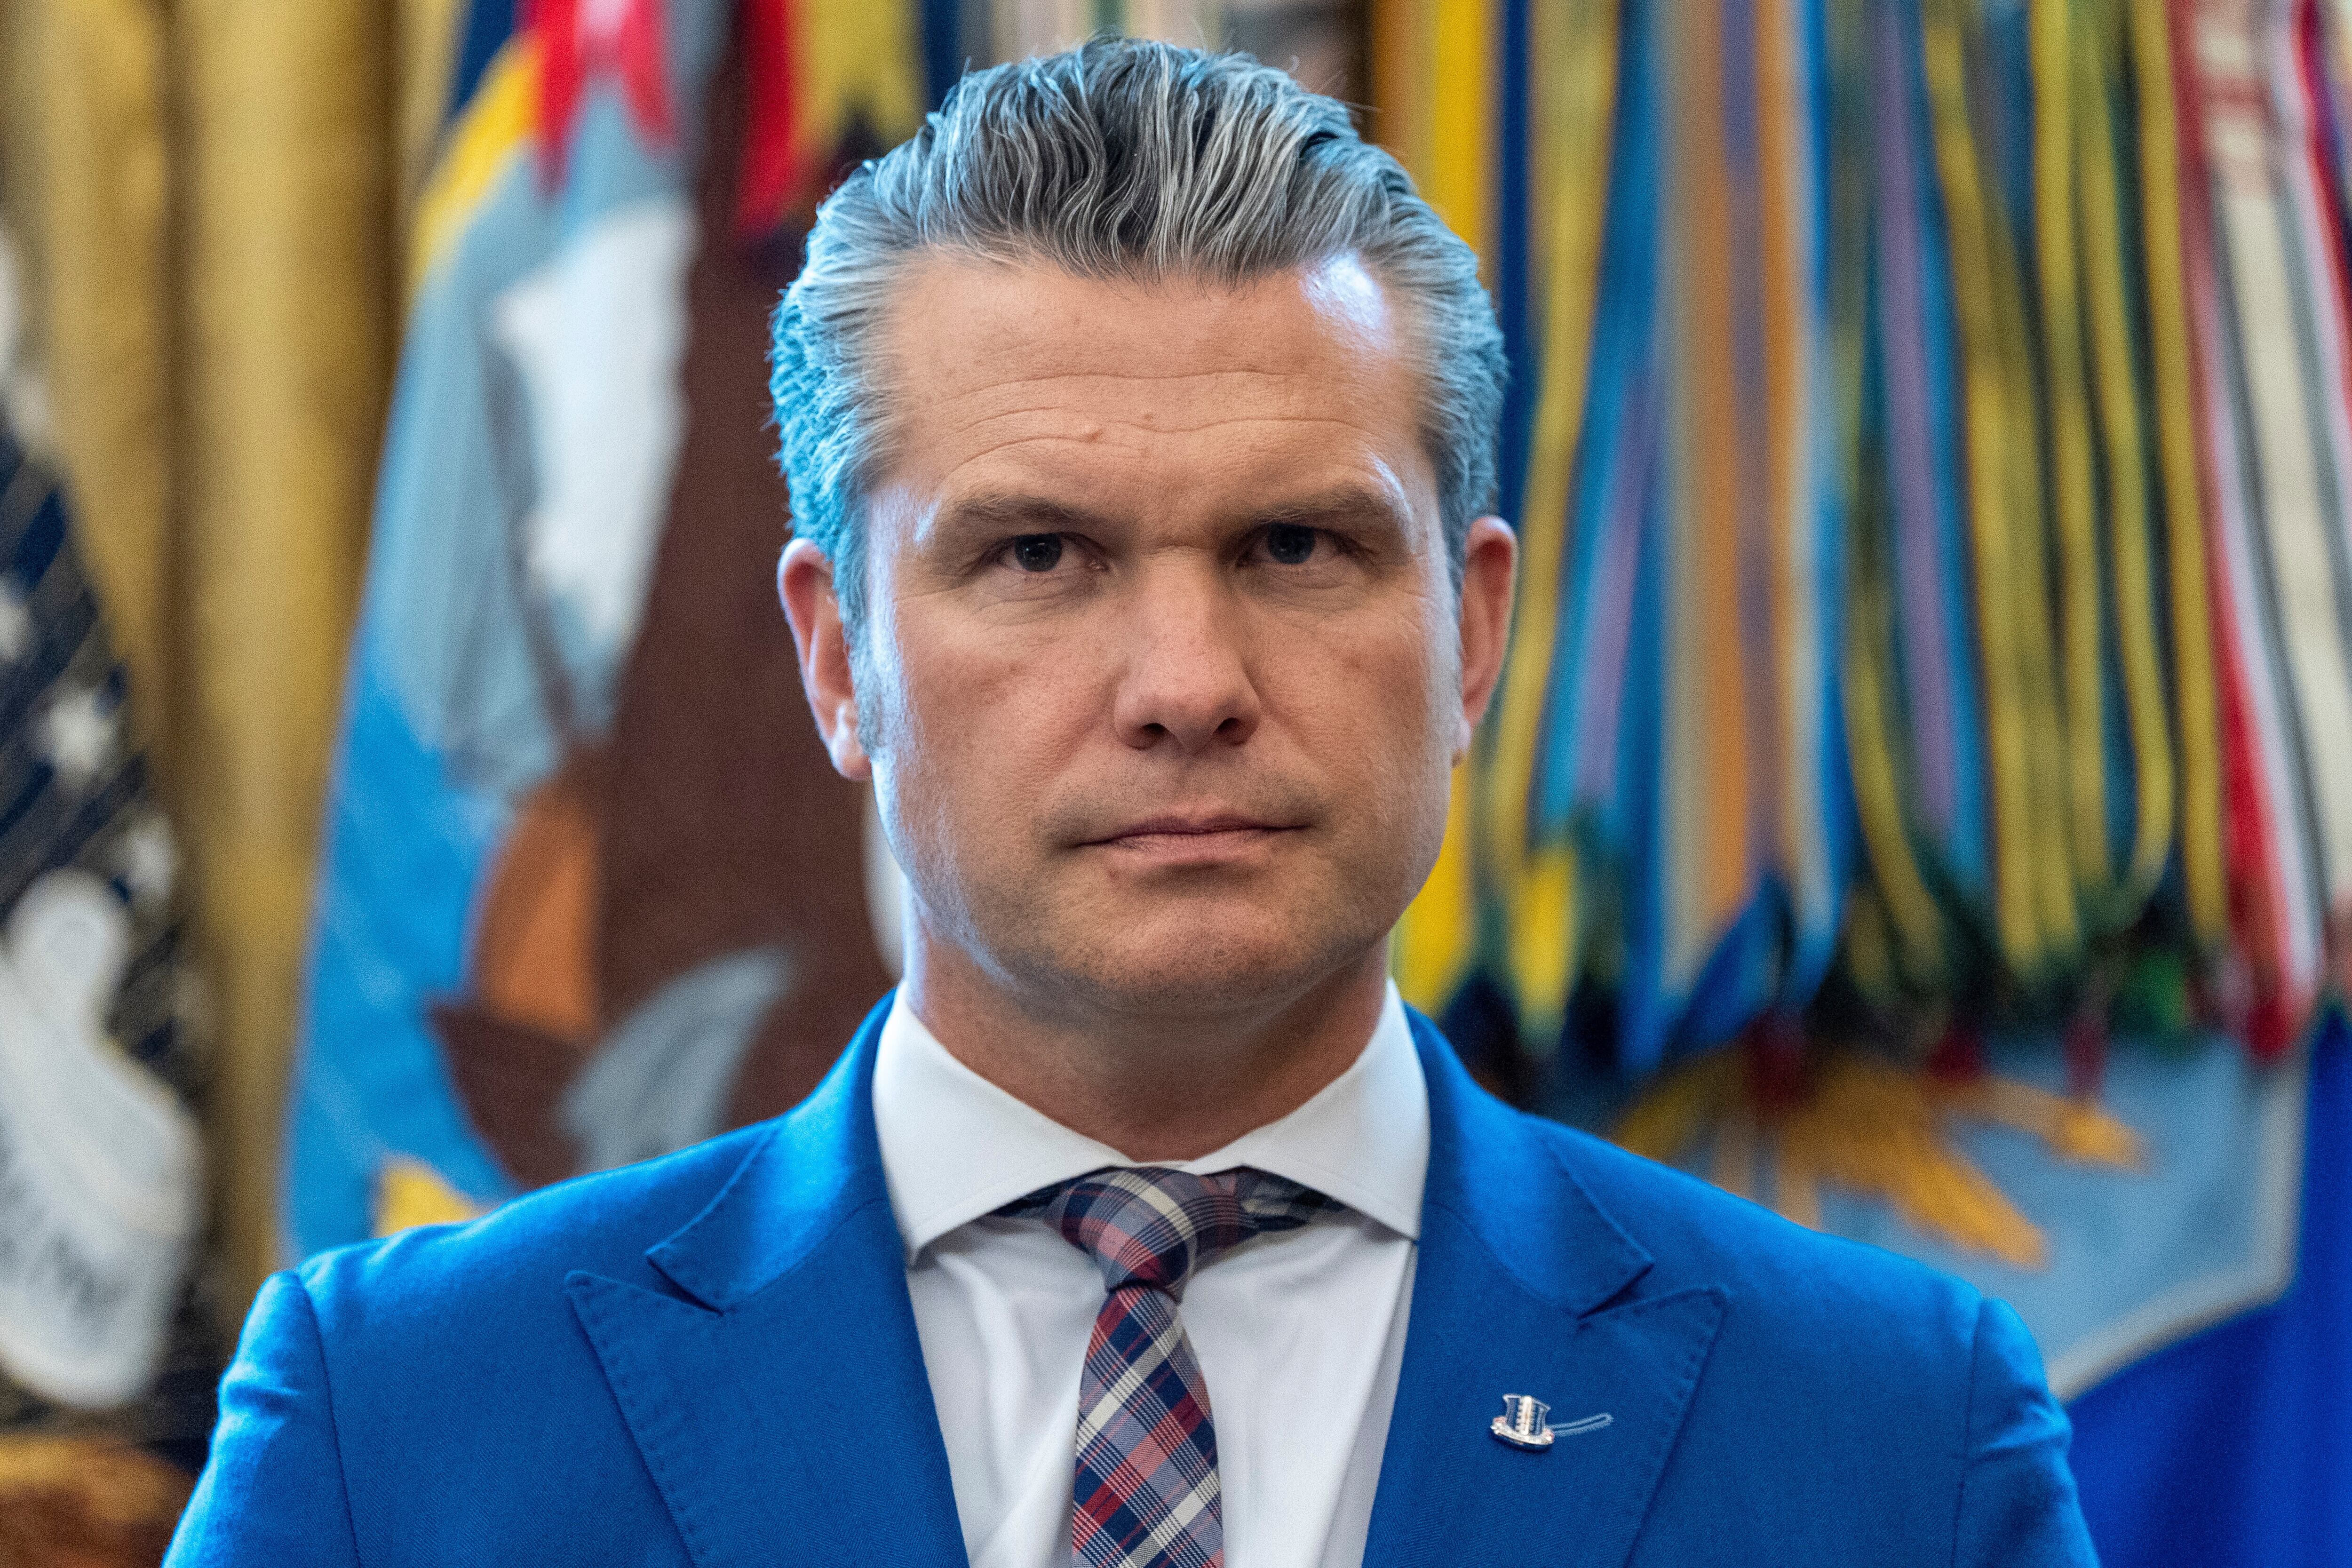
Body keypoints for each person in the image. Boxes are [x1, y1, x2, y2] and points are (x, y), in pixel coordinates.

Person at [168, 38, 2096, 1568]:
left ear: (1473, 630)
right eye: (1038, 556)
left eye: (1294, 547)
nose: (1186, 684)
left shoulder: (1892, 1437)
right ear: (837, 659)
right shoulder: (401, 1424)